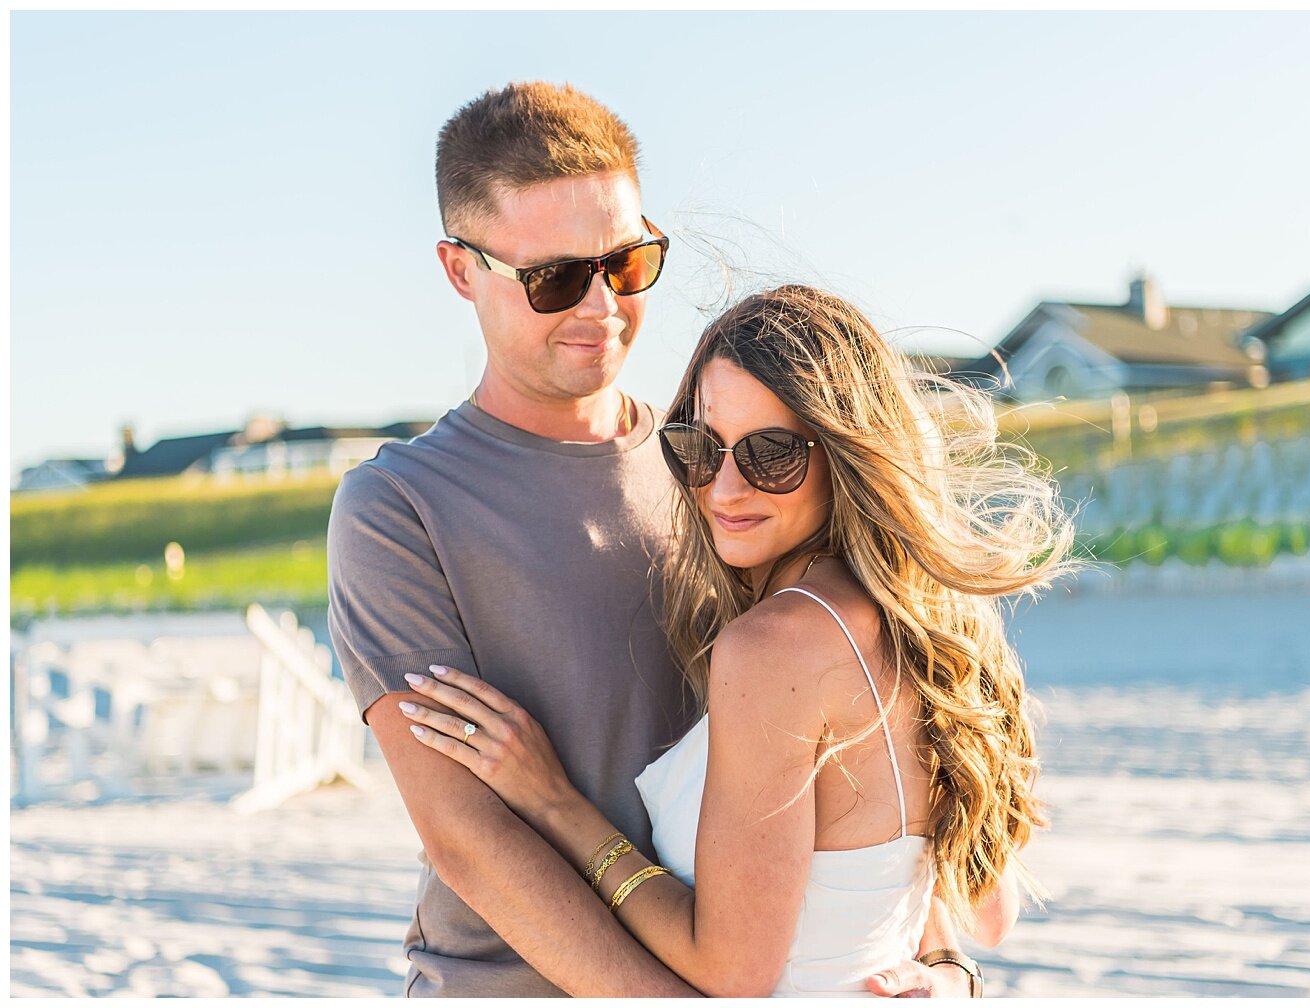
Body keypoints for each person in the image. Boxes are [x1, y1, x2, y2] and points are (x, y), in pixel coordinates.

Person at [327, 82, 989, 997]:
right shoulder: (399, 508)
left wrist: (942, 960)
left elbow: (846, 747)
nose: (600, 306)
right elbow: (468, 839)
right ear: (458, 268)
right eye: (555, 277)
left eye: (627, 264)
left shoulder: (717, 462)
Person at [400, 284, 1083, 995]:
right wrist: (950, 971)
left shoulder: (775, 646)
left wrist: (557, 808)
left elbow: (732, 971)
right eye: (700, 448)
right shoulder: (929, 623)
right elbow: (987, 910)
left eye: (772, 454)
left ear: (847, 454)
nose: (725, 488)